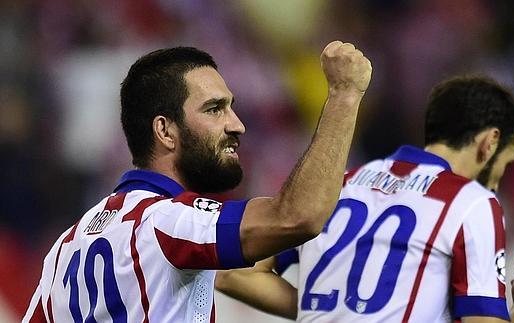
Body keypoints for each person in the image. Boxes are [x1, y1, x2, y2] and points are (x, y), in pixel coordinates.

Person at [22, 40, 372, 322]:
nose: (237, 125)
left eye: (230, 107)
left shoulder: (66, 248)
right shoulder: (167, 221)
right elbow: (297, 216)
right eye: (214, 109)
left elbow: (232, 275)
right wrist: (344, 93)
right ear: (165, 130)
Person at [216, 75, 514, 322]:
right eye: (507, 162)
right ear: (489, 143)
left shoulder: (341, 183)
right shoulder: (472, 202)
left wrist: (330, 310)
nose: (500, 177)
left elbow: (235, 273)